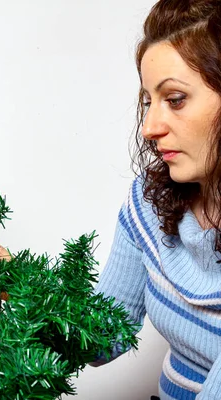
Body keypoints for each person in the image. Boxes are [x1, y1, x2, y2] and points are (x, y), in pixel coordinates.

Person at [91, 1, 221, 399]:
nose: (149, 128)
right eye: (149, 101)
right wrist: (22, 286)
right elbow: (101, 338)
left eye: (176, 99)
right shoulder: (150, 201)